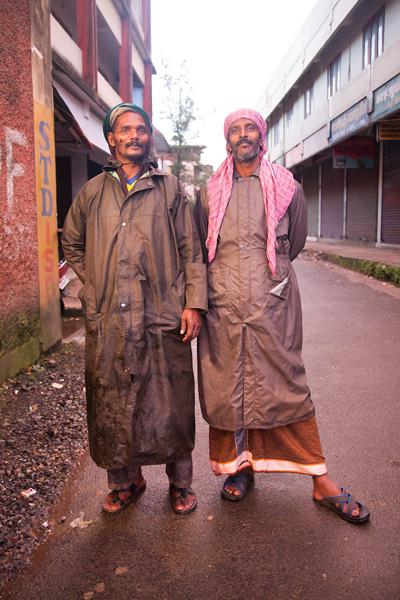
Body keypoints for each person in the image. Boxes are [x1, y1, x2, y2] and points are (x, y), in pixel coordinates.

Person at [194, 108, 370, 524]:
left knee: (287, 386)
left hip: (273, 305)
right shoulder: (209, 191)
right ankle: (240, 468)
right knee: (228, 390)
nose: (243, 135)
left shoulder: (287, 186)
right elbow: (203, 247)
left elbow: (296, 241)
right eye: (235, 130)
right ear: (227, 140)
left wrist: (268, 283)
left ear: (261, 135)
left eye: (249, 128)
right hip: (224, 308)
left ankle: (320, 480)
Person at [62, 103, 207, 515]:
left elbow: (191, 250)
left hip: (161, 313)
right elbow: (71, 243)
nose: (134, 136)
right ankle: (125, 482)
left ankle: (180, 484)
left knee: (171, 400)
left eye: (141, 129)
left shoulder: (171, 188)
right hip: (109, 316)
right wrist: (94, 284)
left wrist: (193, 303)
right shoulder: (92, 192)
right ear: (111, 139)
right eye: (125, 130)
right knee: (113, 398)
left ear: (148, 137)